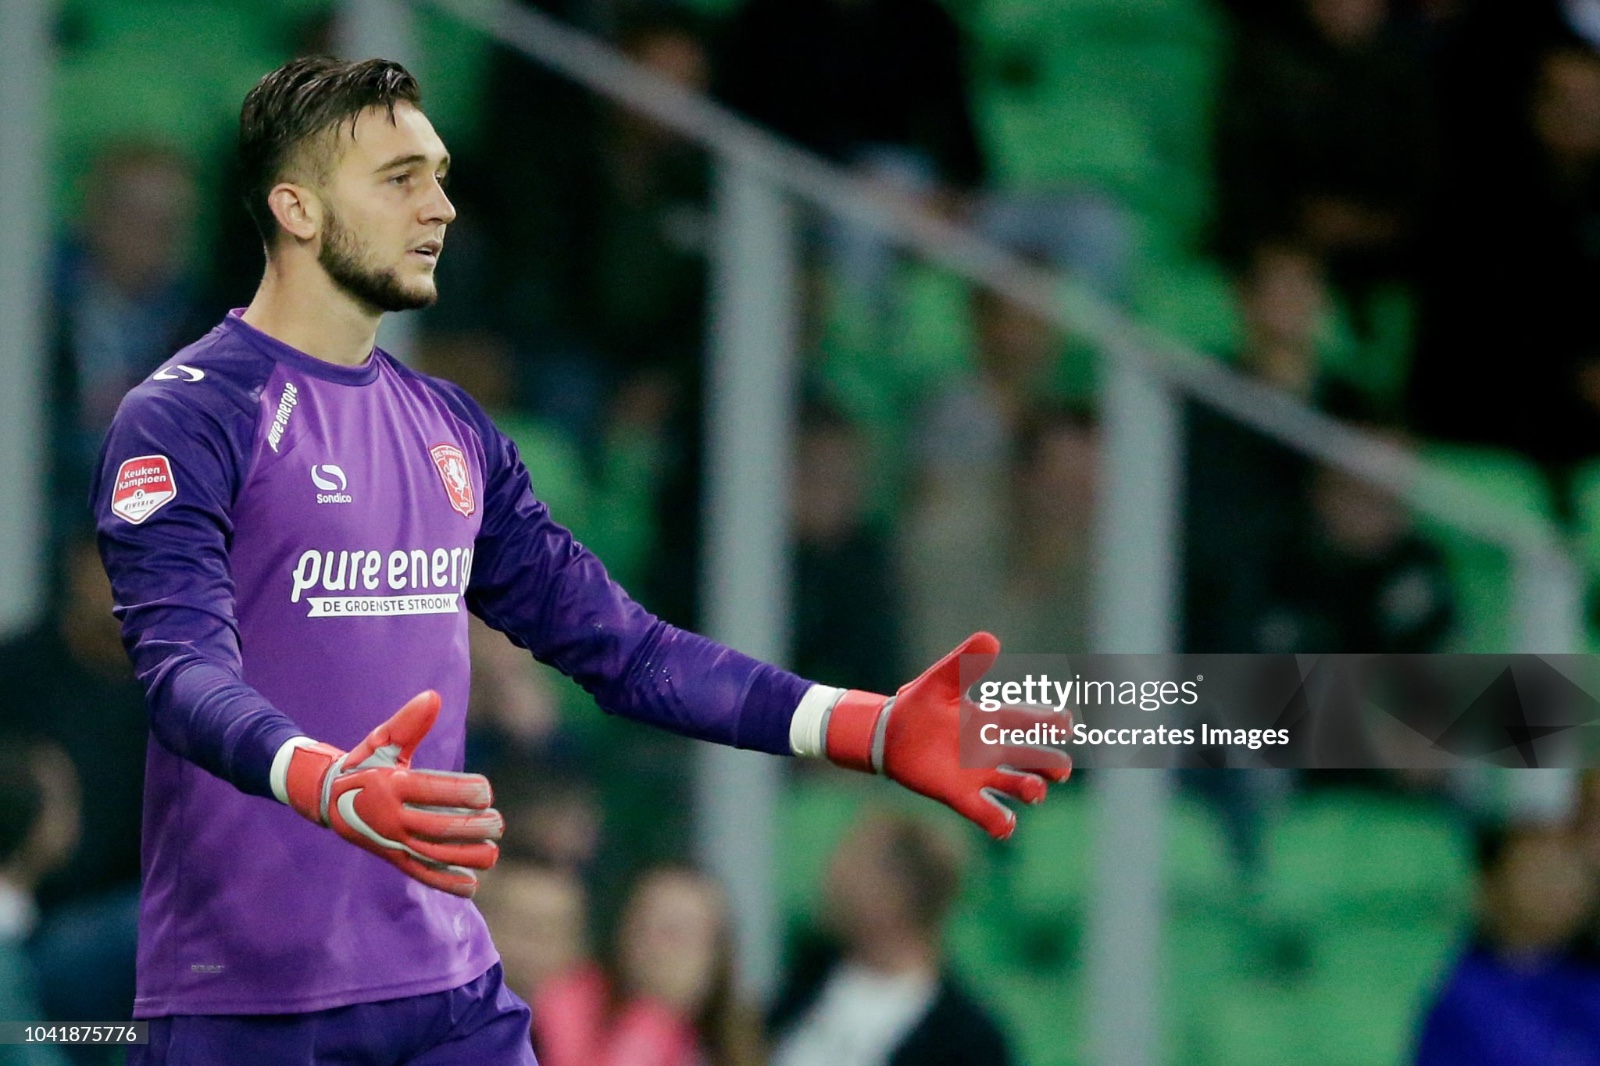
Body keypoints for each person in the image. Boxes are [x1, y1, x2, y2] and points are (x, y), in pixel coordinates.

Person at [92, 56, 1071, 1065]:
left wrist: (861, 723)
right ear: (295, 206)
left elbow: (627, 650)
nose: (440, 206)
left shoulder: (451, 430)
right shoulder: (189, 413)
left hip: (445, 991)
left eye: (438, 173)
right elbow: (181, 671)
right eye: (400, 178)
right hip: (251, 999)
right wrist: (322, 780)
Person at [767, 812, 1012, 1066]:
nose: (832, 880)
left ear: (899, 895)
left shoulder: (966, 1037)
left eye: (855, 869)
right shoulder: (807, 976)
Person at [532, 867, 763, 1066]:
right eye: (649, 925)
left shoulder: (735, 1041)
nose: (663, 948)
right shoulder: (571, 1003)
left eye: (682, 932)